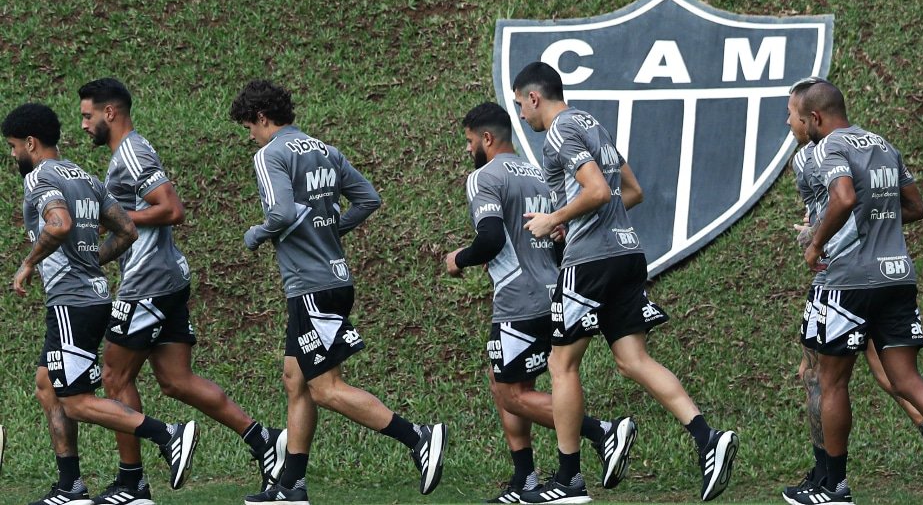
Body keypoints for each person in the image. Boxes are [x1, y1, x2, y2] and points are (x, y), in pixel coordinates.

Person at [509, 62, 738, 503]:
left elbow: (596, 191)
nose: (521, 114)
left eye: (521, 105)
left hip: (590, 263)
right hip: (628, 254)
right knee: (633, 360)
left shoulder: (559, 130)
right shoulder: (593, 124)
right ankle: (708, 438)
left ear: (535, 97)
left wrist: (554, 219)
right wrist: (572, 223)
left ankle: (569, 480)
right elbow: (629, 191)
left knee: (561, 366)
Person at [229, 80, 447, 505]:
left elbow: (280, 212)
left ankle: (418, 437)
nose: (249, 137)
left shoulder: (269, 154)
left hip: (310, 284)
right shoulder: (325, 150)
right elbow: (368, 199)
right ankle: (291, 485)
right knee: (296, 379)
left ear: (260, 118)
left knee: (325, 387)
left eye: (248, 128)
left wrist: (256, 235)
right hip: (334, 278)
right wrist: (329, 231)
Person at [77, 78, 287, 504]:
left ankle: (132, 483)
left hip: (149, 282)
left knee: (115, 376)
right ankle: (264, 440)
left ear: (110, 113)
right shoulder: (125, 154)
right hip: (164, 278)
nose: (83, 125)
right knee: (176, 380)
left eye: (87, 115)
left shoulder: (133, 152)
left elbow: (172, 209)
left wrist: (114, 216)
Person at [786, 79, 923, 505]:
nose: (791, 124)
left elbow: (842, 197)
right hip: (897, 276)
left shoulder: (824, 149)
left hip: (847, 283)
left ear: (815, 118)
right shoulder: (882, 144)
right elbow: (914, 206)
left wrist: (817, 244)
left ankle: (834, 487)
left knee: (830, 381)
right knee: (905, 377)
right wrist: (875, 218)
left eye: (795, 117)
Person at [3, 103, 200, 505]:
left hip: (71, 305)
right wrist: (91, 261)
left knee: (75, 402)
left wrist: (27, 264)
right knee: (47, 385)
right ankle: (70, 486)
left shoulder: (40, 177)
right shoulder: (83, 175)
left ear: (30, 142)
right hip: (94, 297)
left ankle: (168, 434)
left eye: (11, 147)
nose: (11, 156)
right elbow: (126, 229)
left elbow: (58, 224)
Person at [444, 102, 637, 503]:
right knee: (509, 384)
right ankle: (524, 480)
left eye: (468, 141)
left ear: (486, 138)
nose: (467, 150)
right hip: (552, 292)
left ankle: (600, 432)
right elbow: (558, 236)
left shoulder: (483, 177)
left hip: (517, 299)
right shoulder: (537, 173)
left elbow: (492, 238)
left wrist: (458, 259)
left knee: (509, 392)